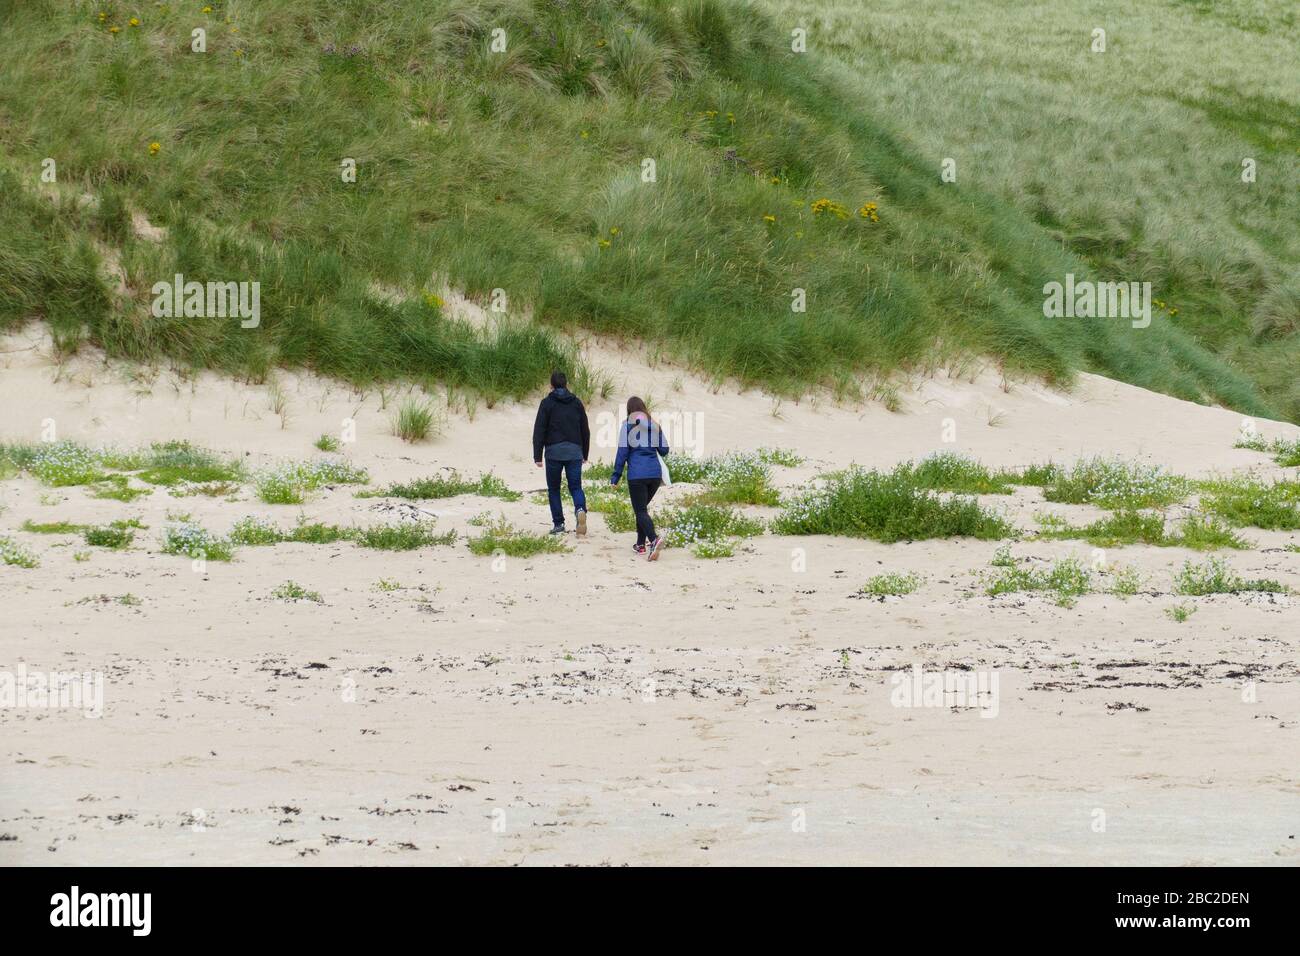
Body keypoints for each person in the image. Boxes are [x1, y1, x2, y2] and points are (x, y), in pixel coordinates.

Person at [610, 396, 669, 560]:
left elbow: (622, 451)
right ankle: (640, 544)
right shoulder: (655, 425)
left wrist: (616, 476)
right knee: (642, 509)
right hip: (655, 475)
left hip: (637, 475)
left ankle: (654, 539)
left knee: (640, 510)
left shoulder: (627, 426)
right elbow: (664, 450)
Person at [533, 370, 590, 535]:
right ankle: (580, 509)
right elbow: (585, 430)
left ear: (551, 385)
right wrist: (584, 453)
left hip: (554, 452)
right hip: (574, 451)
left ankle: (559, 525)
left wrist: (537, 455)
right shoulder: (576, 403)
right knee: (576, 486)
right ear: (566, 385)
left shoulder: (546, 403)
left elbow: (539, 430)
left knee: (554, 489)